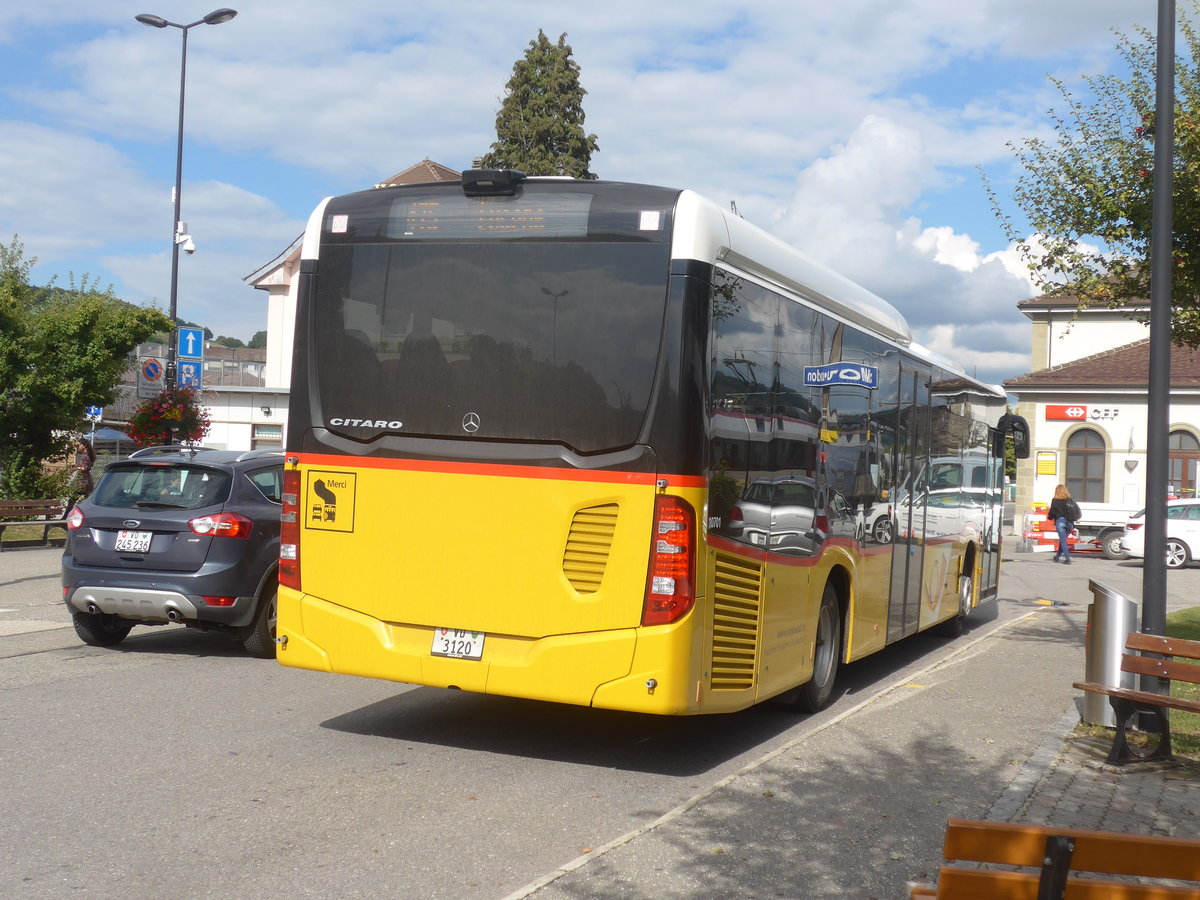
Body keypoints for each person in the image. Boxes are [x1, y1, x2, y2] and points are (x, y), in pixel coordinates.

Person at [1047, 484, 1081, 564]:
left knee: (1063, 541)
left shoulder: (1054, 500)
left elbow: (1052, 513)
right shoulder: (1069, 500)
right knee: (1063, 541)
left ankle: (1067, 559)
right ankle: (1057, 557)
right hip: (1069, 523)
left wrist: (1050, 517)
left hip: (1060, 522)